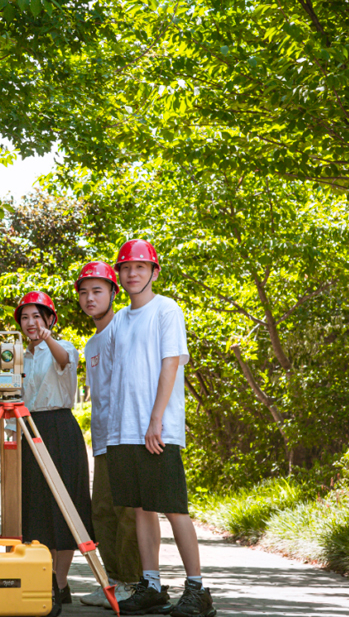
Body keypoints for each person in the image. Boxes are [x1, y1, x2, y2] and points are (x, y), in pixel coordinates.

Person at [108, 239, 216, 617]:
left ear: (154, 272)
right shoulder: (120, 319)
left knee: (174, 508)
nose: (132, 273)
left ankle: (197, 589)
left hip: (157, 428)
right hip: (125, 431)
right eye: (126, 268)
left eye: (140, 267)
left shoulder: (167, 309)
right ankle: (151, 584)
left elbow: (171, 364)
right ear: (119, 275)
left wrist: (156, 420)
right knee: (141, 509)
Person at [14, 291, 94, 616]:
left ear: (49, 319)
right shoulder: (17, 355)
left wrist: (48, 340)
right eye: (25, 317)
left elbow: (63, 361)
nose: (31, 323)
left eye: (37, 316)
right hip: (28, 428)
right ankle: (44, 579)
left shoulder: (65, 348)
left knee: (66, 506)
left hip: (60, 428)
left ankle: (59, 583)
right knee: (34, 505)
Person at [74, 262, 142, 609]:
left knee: (127, 512)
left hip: (128, 436)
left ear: (114, 293)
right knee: (101, 511)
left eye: (98, 290)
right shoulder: (92, 343)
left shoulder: (125, 329)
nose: (90, 298)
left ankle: (133, 582)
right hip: (102, 438)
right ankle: (112, 581)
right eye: (84, 292)